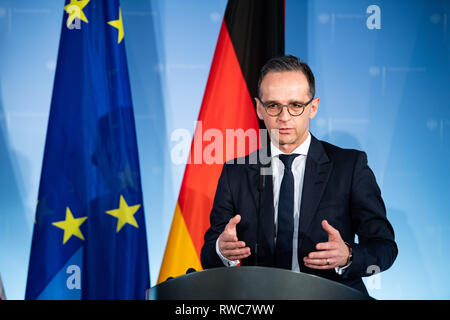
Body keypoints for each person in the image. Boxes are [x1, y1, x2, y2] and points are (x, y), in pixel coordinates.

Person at [200, 55, 398, 294]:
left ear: (313, 107)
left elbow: (384, 248)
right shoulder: (236, 172)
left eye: (295, 105)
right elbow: (208, 255)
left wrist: (348, 255)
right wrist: (222, 250)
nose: (284, 117)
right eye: (273, 105)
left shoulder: (350, 166)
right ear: (259, 108)